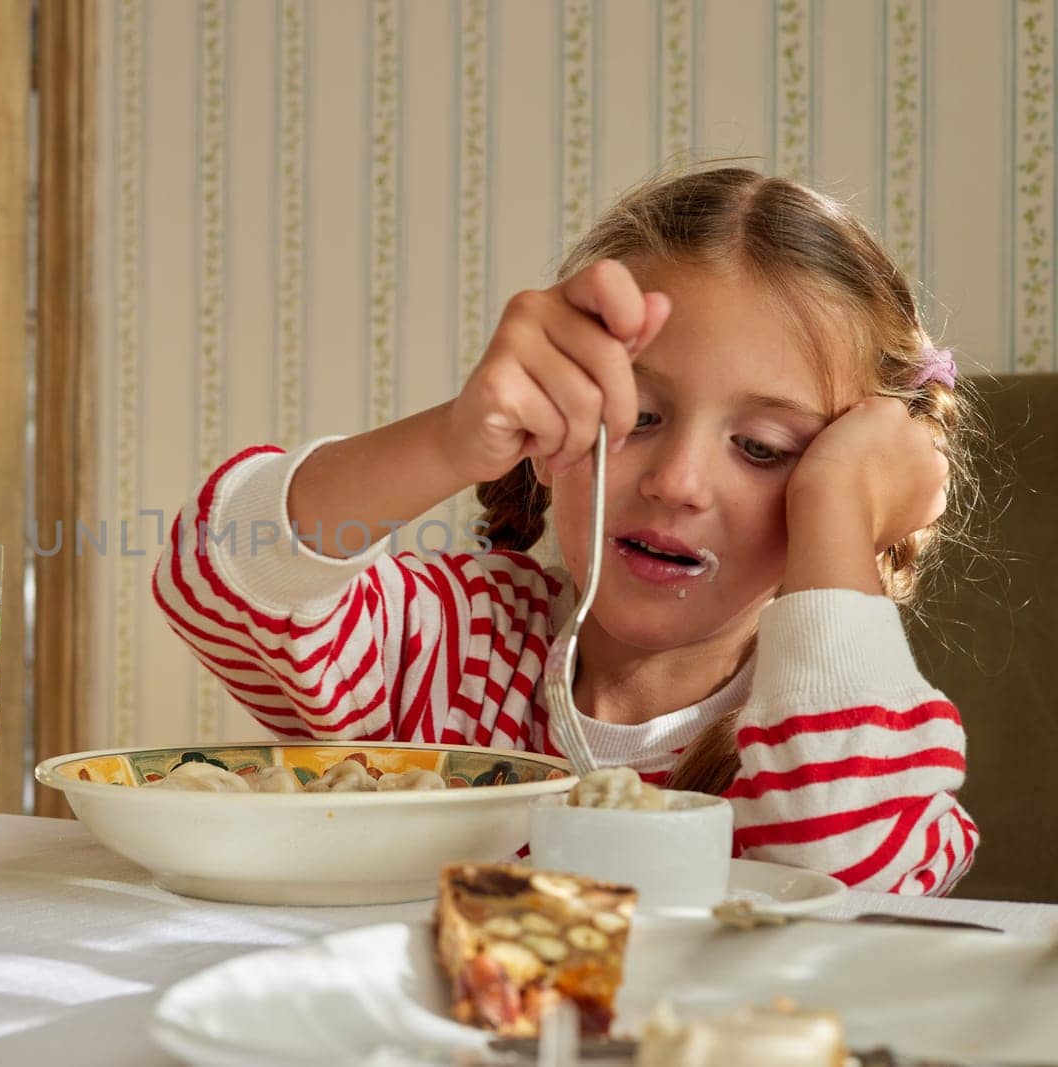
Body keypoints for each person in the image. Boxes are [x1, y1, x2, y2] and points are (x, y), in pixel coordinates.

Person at [153, 166, 978, 895]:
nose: (677, 481)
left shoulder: (857, 738)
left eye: (765, 449)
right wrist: (450, 439)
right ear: (555, 426)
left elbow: (847, 890)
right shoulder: (452, 651)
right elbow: (217, 573)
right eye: (639, 415)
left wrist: (837, 505)